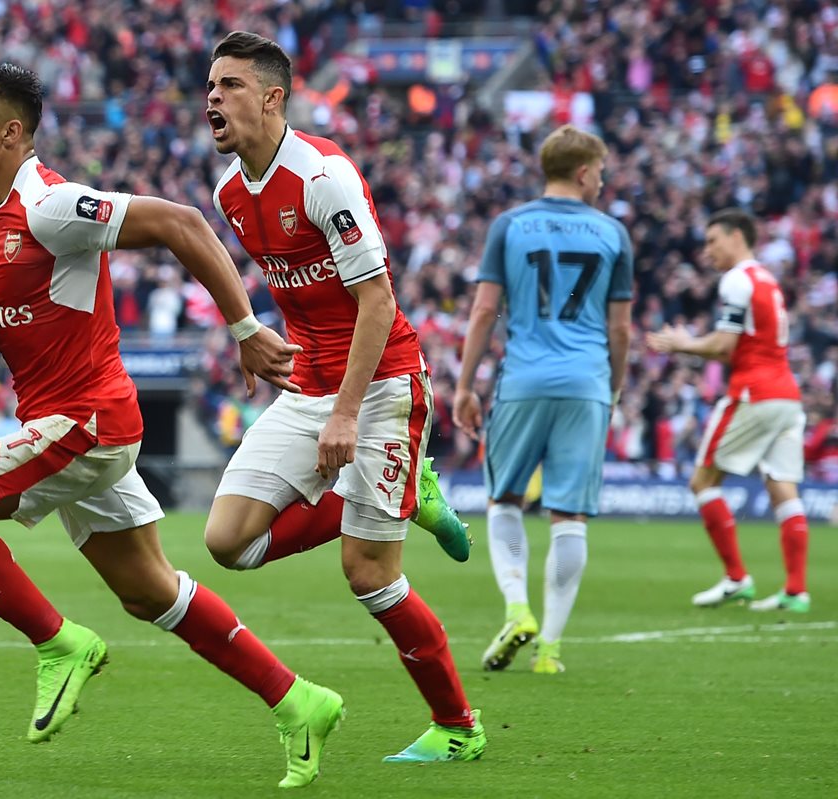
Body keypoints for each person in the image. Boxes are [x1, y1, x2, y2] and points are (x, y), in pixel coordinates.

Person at [0, 59, 343, 789]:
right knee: (150, 591)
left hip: (86, 421)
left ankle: (60, 645)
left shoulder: (52, 205)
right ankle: (298, 699)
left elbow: (180, 222)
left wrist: (244, 327)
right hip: (62, 426)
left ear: (11, 132)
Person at [201, 31, 483, 764]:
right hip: (307, 382)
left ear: (272, 97)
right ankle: (396, 499)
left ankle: (458, 725)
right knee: (227, 541)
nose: (212, 99)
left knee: (368, 572)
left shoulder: (324, 176)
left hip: (383, 382)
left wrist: (350, 413)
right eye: (209, 87)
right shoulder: (228, 190)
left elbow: (379, 303)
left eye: (229, 85)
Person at [453, 125, 634, 674]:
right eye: (600, 171)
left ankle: (516, 609)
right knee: (569, 515)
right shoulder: (613, 233)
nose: (602, 180)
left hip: (524, 380)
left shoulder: (509, 226)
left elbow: (485, 311)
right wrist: (615, 384)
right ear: (583, 173)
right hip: (586, 383)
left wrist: (464, 385)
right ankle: (550, 650)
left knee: (505, 500)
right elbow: (620, 328)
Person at [647, 208, 810, 613]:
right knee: (782, 488)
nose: (707, 251)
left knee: (702, 481)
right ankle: (795, 590)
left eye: (712, 241)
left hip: (753, 393)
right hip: (787, 395)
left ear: (737, 236)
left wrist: (682, 343)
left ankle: (736, 578)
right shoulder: (767, 279)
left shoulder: (736, 279)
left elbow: (725, 346)